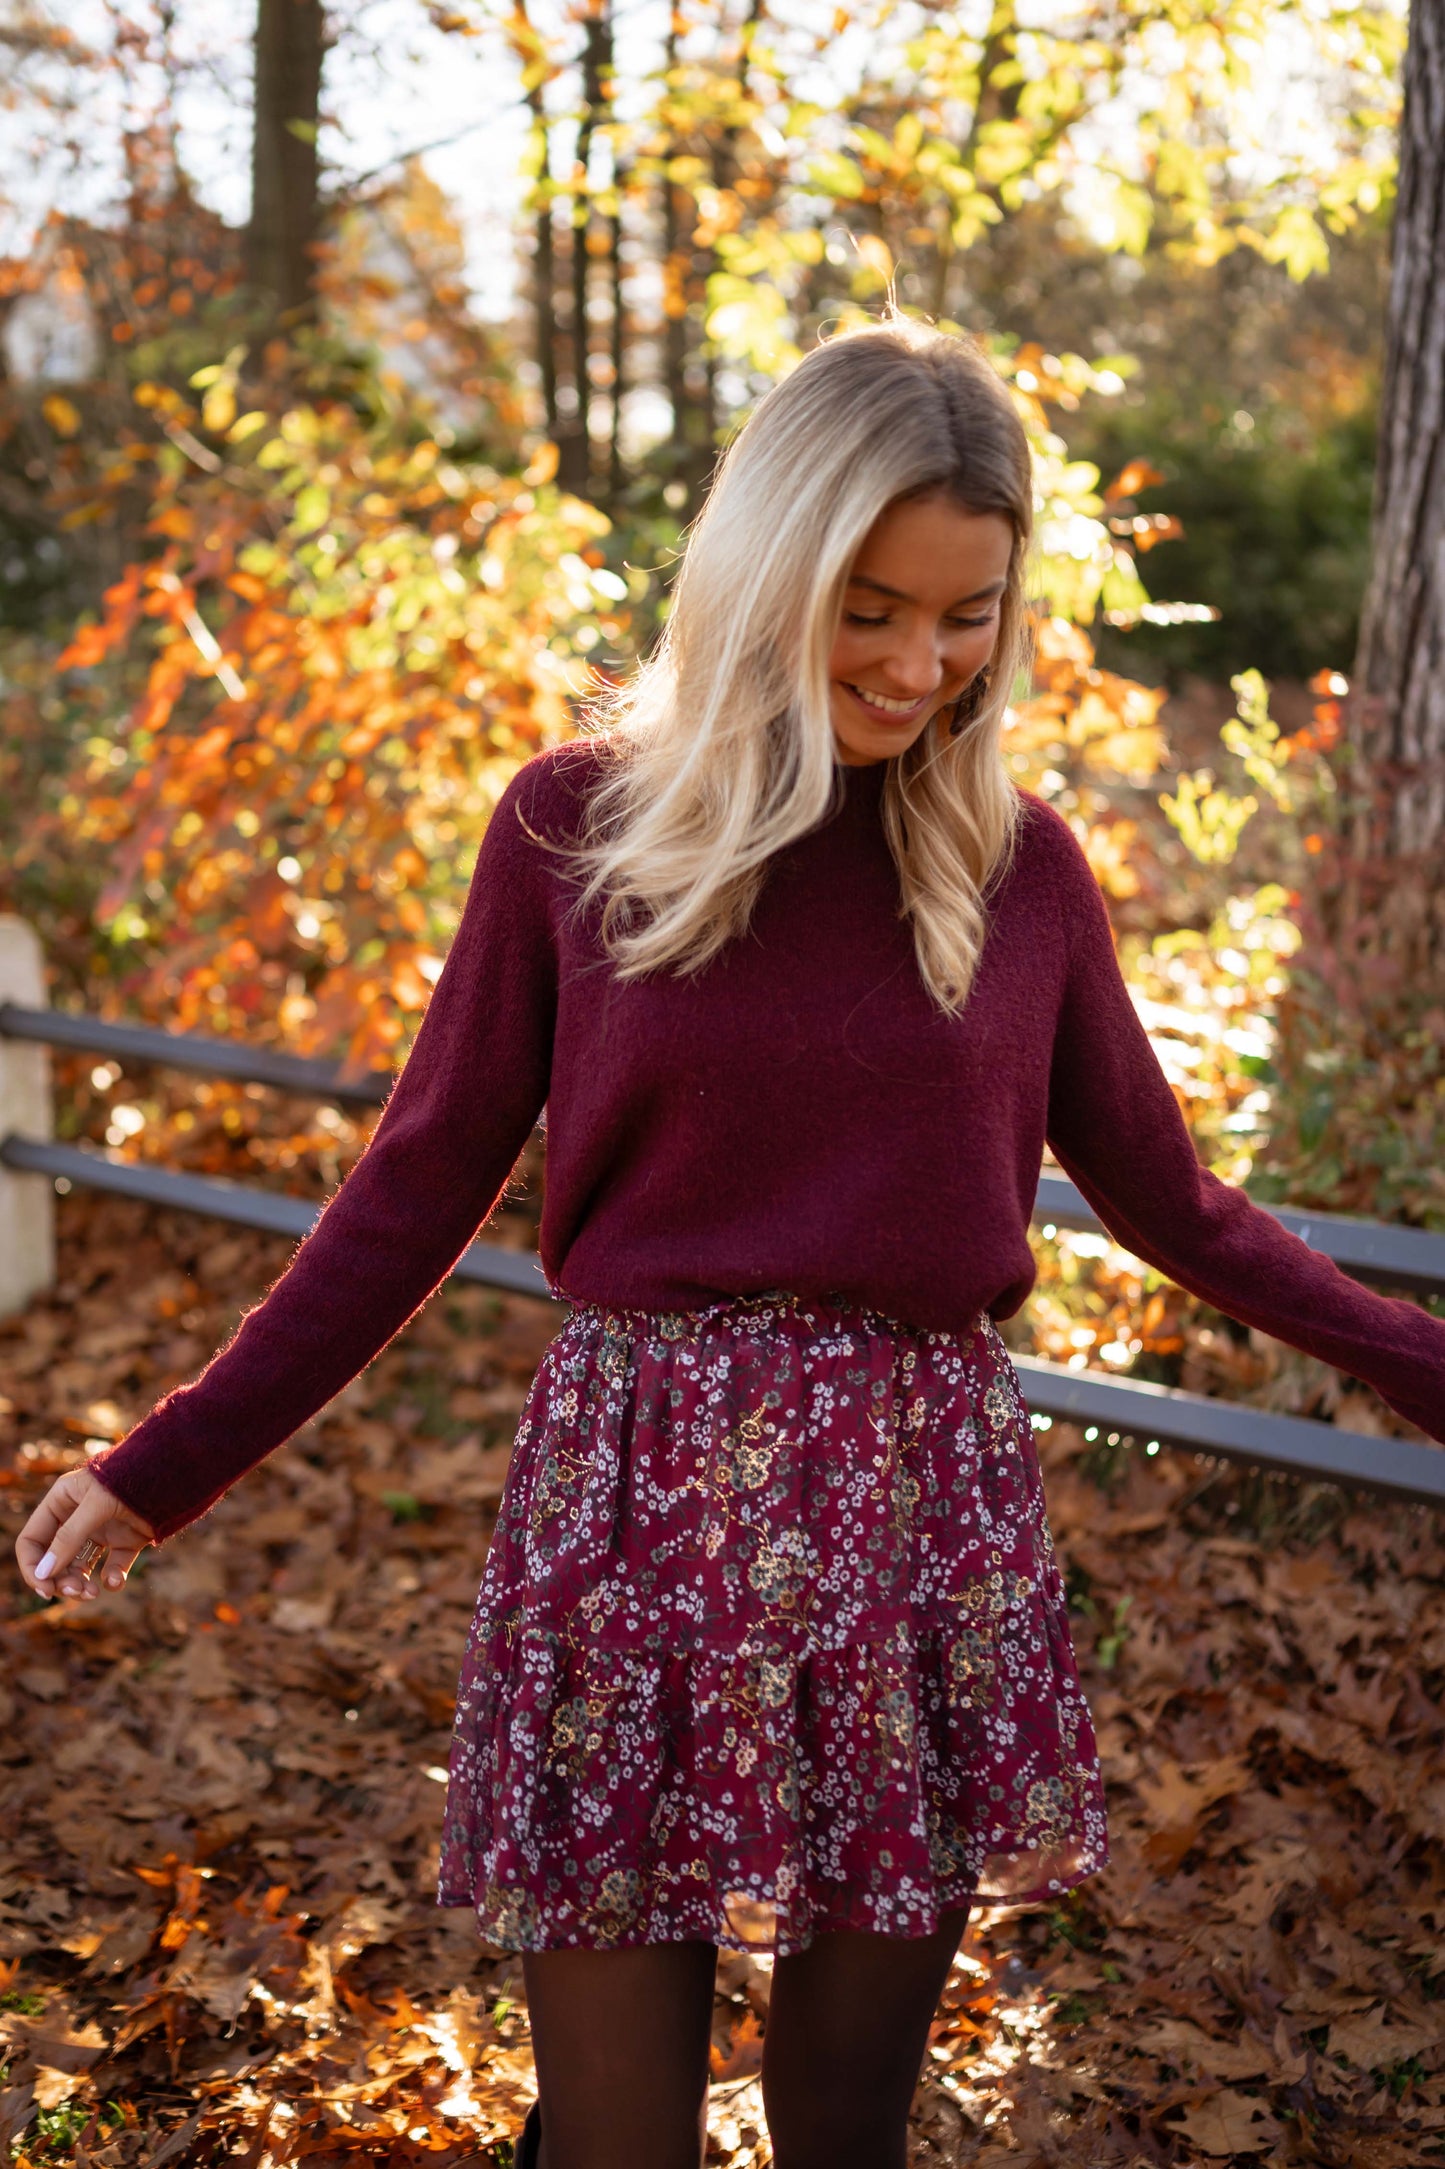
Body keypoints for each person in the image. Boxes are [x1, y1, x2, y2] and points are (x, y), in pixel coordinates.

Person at [16, 315, 1445, 2169]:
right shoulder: (575, 829)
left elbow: (1176, 1202)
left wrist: (1420, 1364)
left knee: (844, 2122)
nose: (920, 663)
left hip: (917, 1512)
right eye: (869, 607)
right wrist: (162, 1464)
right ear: (766, 570)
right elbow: (414, 1187)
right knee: (619, 2135)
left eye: (967, 615)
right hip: (636, 1507)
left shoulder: (1015, 870)